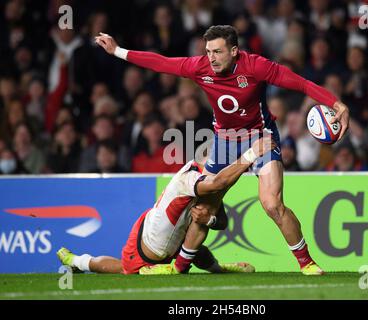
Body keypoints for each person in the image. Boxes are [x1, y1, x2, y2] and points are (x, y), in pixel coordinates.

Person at [95, 25, 351, 275]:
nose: (211, 58)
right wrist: (118, 51)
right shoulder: (200, 67)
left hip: (260, 136)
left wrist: (335, 103)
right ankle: (179, 268)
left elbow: (301, 84)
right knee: (203, 212)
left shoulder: (256, 66)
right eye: (208, 51)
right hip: (224, 141)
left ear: (234, 51)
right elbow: (161, 62)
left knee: (272, 204)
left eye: (217, 52)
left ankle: (306, 263)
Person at [57, 136, 275, 275]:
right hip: (152, 242)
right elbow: (221, 181)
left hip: (170, 235)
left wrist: (210, 220)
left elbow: (222, 222)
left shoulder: (208, 180)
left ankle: (218, 269)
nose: (226, 165)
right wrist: (252, 153)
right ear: (206, 159)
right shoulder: (189, 179)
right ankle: (77, 260)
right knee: (127, 269)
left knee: (200, 230)